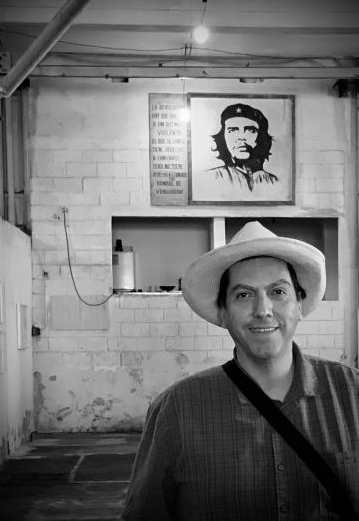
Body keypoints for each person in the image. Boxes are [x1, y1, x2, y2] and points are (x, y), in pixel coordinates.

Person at [122, 221, 359, 520]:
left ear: (300, 304)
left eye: (278, 291)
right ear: (223, 312)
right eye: (244, 295)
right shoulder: (176, 411)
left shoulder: (351, 394)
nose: (263, 309)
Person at [208, 103, 278, 191]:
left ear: (261, 137)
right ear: (223, 137)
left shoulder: (272, 181)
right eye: (233, 130)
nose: (241, 137)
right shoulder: (212, 177)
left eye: (250, 130)